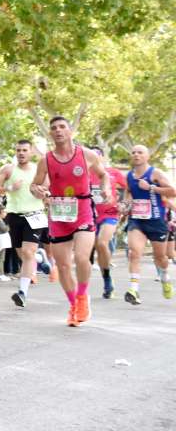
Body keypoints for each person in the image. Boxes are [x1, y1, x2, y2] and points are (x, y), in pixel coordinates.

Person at [30, 116, 111, 327]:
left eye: (62, 127)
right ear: (50, 133)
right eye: (54, 128)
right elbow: (34, 185)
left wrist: (106, 188)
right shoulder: (45, 160)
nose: (58, 130)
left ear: (70, 130)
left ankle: (83, 297)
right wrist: (38, 190)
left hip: (82, 209)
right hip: (58, 212)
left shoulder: (86, 154)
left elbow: (104, 175)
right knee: (64, 266)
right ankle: (73, 304)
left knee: (82, 258)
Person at [0, 139, 49, 308]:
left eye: (24, 150)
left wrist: (43, 193)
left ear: (31, 153)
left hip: (35, 215)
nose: (21, 153)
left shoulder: (39, 170)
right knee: (23, 255)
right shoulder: (8, 169)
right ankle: (40, 257)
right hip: (14, 216)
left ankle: (22, 293)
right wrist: (9, 189)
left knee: (27, 252)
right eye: (18, 150)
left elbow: (47, 190)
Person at [122, 144, 176, 305]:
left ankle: (165, 277)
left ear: (147, 156)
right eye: (133, 152)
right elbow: (128, 192)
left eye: (140, 152)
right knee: (133, 252)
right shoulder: (129, 176)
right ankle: (134, 289)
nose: (136, 155)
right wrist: (125, 204)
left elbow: (173, 191)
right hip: (137, 220)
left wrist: (151, 187)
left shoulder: (155, 173)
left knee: (160, 257)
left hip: (156, 220)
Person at [89, 146, 128, 299]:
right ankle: (105, 278)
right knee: (91, 250)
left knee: (102, 243)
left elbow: (128, 188)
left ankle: (107, 279)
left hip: (110, 214)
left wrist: (124, 203)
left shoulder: (113, 173)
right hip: (90, 216)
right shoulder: (84, 174)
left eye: (98, 156)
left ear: (103, 158)